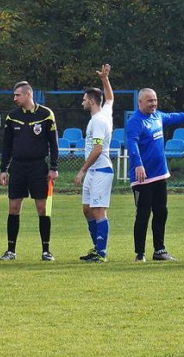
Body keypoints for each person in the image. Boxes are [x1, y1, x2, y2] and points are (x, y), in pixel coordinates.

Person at [125, 88, 184, 262]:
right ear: (140, 102)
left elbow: (173, 117)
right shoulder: (135, 121)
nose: (153, 103)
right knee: (143, 213)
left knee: (161, 212)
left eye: (155, 100)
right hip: (143, 177)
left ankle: (159, 250)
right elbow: (132, 144)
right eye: (149, 101)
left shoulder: (157, 116)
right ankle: (140, 253)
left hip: (160, 175)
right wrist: (138, 164)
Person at [0, 81, 58, 261]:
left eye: (17, 95)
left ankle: (46, 251)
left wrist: (54, 167)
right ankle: (11, 251)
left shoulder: (46, 115)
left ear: (28, 95)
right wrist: (3, 169)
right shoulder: (12, 116)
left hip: (38, 167)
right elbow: (6, 145)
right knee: (14, 207)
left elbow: (53, 143)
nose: (14, 98)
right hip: (17, 167)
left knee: (42, 209)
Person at [74, 64, 114, 262]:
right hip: (94, 171)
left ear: (91, 101)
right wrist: (105, 79)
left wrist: (82, 170)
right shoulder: (104, 113)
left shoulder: (99, 121)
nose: (82, 103)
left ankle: (102, 252)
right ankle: (96, 248)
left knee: (98, 210)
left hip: (100, 170)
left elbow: (97, 150)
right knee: (87, 209)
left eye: (84, 100)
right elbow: (110, 98)